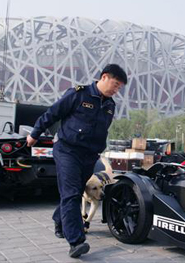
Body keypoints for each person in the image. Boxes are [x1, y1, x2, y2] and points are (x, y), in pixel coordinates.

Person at [26, 64, 127, 258]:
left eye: (119, 88)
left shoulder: (109, 105)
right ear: (104, 77)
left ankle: (59, 218)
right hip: (67, 151)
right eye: (115, 85)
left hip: (89, 156)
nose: (117, 90)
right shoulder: (78, 94)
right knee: (72, 193)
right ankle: (76, 241)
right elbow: (53, 113)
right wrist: (35, 133)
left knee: (72, 193)